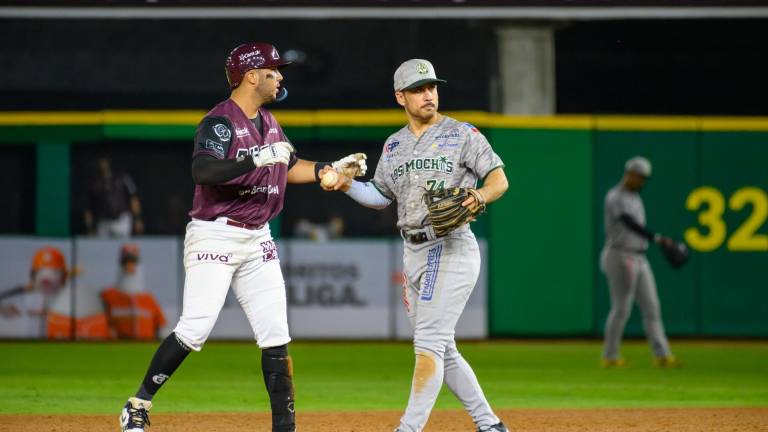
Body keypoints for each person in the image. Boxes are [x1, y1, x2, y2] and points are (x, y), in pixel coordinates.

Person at [118, 42, 366, 432]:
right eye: (273, 70)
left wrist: (327, 170)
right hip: (216, 234)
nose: (280, 76)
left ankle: (284, 428)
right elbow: (203, 172)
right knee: (194, 329)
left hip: (257, 237)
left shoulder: (269, 122)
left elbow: (291, 164)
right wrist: (256, 158)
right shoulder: (219, 122)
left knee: (276, 334)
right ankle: (138, 404)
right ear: (252, 76)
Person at [321, 59, 510, 432]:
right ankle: (491, 426)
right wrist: (344, 184)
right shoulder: (394, 145)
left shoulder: (463, 134)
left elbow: (499, 180)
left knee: (428, 342)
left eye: (432, 87)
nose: (428, 94)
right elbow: (379, 196)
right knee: (443, 347)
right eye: (419, 89)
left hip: (451, 243)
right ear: (400, 97)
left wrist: (478, 196)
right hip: (413, 250)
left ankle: (408, 429)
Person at [600, 156, 681, 368]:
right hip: (620, 255)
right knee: (621, 308)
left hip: (639, 256)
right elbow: (630, 223)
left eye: (644, 178)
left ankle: (662, 354)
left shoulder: (636, 197)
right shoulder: (615, 196)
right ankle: (610, 355)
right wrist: (657, 238)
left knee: (652, 307)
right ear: (629, 173)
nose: (641, 181)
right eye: (639, 176)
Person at [101, 243, 167, 340]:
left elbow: (162, 328)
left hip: (145, 350)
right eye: (125, 262)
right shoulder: (108, 296)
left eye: (133, 262)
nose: (129, 266)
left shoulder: (149, 300)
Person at [84, 156, 144, 237]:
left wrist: (138, 219)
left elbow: (133, 198)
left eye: (104, 161)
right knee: (103, 248)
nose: (102, 164)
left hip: (122, 220)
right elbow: (88, 207)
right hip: (103, 222)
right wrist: (90, 227)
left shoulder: (122, 177)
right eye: (100, 161)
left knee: (123, 247)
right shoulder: (93, 182)